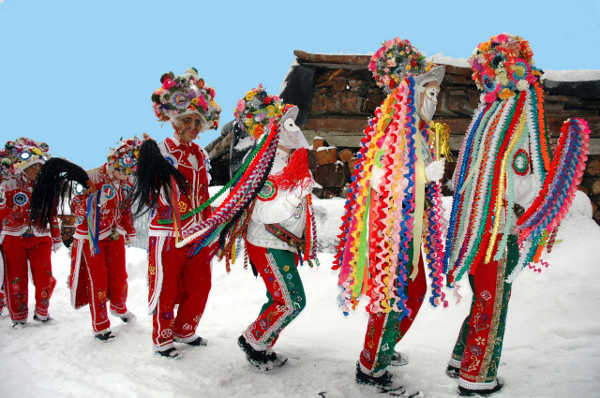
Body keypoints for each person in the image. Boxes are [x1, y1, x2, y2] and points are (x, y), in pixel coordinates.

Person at [444, 33, 590, 396]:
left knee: (483, 295)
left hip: (471, 229)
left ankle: (462, 359)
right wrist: (552, 193)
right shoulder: (517, 115)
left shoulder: (487, 117)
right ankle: (477, 377)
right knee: (493, 302)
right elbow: (525, 179)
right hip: (497, 230)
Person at [334, 38, 447, 395]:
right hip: (390, 233)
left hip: (409, 229)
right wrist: (425, 175)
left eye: (436, 94)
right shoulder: (392, 131)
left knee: (413, 291)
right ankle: (371, 368)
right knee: (394, 295)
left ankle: (380, 349)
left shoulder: (417, 133)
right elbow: (382, 178)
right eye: (428, 93)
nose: (435, 101)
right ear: (410, 93)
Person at [131, 67, 221, 358]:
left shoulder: (200, 154)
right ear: (174, 121)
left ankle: (185, 330)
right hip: (168, 233)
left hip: (197, 233)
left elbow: (204, 195)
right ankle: (163, 337)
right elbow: (150, 194)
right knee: (166, 286)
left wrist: (212, 227)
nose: (193, 126)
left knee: (200, 285)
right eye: (187, 120)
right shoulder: (161, 151)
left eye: (197, 121)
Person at [227, 86, 317, 371]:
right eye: (288, 123)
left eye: (294, 122)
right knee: (292, 301)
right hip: (267, 242)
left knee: (278, 297)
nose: (296, 129)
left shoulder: (289, 160)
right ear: (273, 131)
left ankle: (261, 343)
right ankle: (253, 339)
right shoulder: (264, 164)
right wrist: (296, 194)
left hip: (283, 243)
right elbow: (265, 210)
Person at [65, 138, 141, 341]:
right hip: (91, 237)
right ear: (114, 161)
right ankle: (100, 325)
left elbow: (124, 209)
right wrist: (93, 201)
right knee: (97, 280)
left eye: (129, 172)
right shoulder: (90, 177)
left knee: (119, 275)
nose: (125, 175)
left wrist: (129, 229)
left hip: (114, 233)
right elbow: (76, 210)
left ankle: (119, 305)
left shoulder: (125, 182)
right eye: (122, 170)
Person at [0, 138, 61, 327]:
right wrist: (13, 212)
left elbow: (52, 213)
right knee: (16, 278)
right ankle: (18, 317)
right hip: (13, 237)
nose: (37, 170)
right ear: (25, 166)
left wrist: (56, 236)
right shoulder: (9, 185)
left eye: (40, 166)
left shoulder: (47, 187)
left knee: (45, 276)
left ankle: (42, 311)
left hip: (41, 237)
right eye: (34, 166)